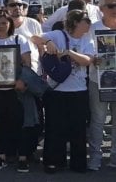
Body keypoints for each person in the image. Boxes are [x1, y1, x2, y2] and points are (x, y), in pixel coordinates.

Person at [32, 10, 94, 174]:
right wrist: (49, 41)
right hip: (57, 90)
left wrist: (68, 53)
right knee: (54, 127)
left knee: (78, 128)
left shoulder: (87, 39)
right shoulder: (59, 34)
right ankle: (53, 162)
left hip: (79, 90)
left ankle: (78, 163)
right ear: (75, 22)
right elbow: (34, 38)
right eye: (85, 20)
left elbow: (87, 60)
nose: (88, 23)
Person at [0, 10, 34, 172]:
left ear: (10, 23)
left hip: (16, 90)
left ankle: (22, 157)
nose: (1, 26)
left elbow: (27, 64)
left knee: (19, 122)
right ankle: (1, 155)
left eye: (4, 22)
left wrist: (22, 81)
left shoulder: (19, 39)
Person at [87, 0, 116, 170]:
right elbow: (86, 49)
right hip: (98, 80)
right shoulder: (93, 28)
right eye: (111, 5)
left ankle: (114, 156)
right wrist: (92, 58)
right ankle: (95, 157)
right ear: (101, 9)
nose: (115, 9)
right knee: (97, 120)